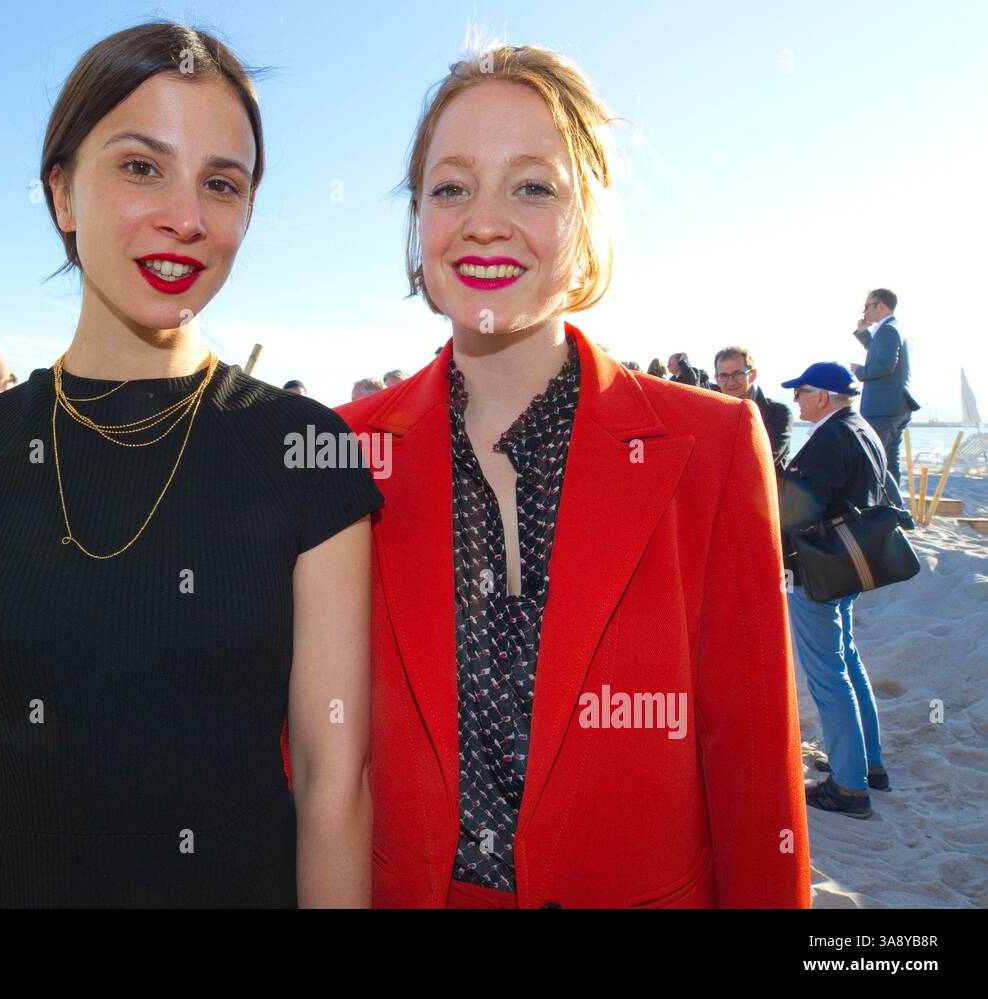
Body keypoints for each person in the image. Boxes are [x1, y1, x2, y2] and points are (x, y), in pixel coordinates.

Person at [0, 22, 381, 908]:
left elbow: (335, 782)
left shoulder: (306, 450)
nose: (186, 216)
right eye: (142, 167)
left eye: (222, 182)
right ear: (61, 191)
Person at [323, 44, 809, 907]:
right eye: (450, 187)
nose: (484, 221)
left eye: (532, 187)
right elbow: (311, 761)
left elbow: (752, 769)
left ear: (588, 216)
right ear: (418, 220)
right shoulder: (344, 450)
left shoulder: (715, 442)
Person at [778, 362, 890, 819]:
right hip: (850, 565)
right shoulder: (862, 427)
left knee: (828, 674)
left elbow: (800, 509)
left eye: (801, 392)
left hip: (820, 570)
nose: (797, 400)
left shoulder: (829, 437)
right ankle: (870, 765)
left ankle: (848, 786)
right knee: (847, 661)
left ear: (823, 396)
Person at [850, 288, 919, 490]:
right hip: (897, 405)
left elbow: (885, 365)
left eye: (867, 306)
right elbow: (881, 353)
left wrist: (860, 371)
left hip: (883, 407)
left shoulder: (888, 329)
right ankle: (892, 508)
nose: (865, 311)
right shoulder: (894, 328)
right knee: (889, 461)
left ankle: (881, 507)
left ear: (881, 305)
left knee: (874, 458)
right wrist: (863, 334)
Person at [713, 346, 792, 475]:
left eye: (738, 374)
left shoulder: (779, 413)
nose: (731, 382)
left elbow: (767, 459)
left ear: (753, 375)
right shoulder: (712, 414)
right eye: (724, 376)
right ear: (716, 379)